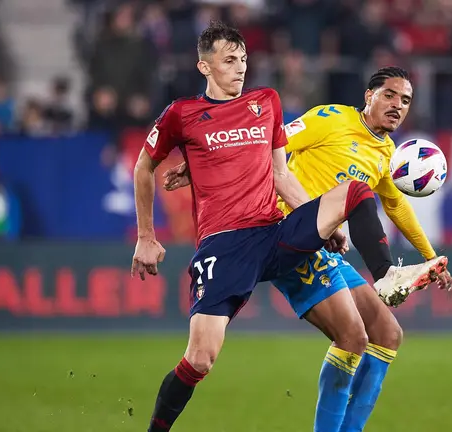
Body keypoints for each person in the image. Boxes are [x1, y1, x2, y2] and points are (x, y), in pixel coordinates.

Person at [163, 66, 452, 431]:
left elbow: (397, 206)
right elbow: (267, 145)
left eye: (406, 100)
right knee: (352, 338)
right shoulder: (330, 119)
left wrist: (430, 257)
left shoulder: (387, 153)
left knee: (387, 334)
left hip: (325, 246)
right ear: (369, 96)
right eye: (390, 95)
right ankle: (385, 275)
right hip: (286, 230)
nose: (398, 105)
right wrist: (198, 166)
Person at [132, 21, 394, 431]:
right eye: (229, 60)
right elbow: (144, 166)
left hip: (275, 232)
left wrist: (326, 223)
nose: (240, 67)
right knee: (200, 359)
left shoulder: (266, 101)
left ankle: (387, 275)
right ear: (205, 67)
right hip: (225, 246)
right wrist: (146, 236)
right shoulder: (182, 114)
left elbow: (281, 175)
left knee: (356, 192)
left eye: (243, 59)